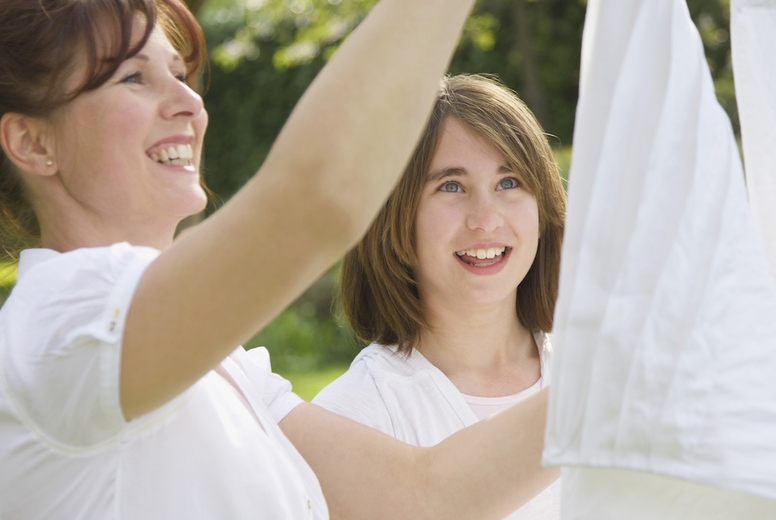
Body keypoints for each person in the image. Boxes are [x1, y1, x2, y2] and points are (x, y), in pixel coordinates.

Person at [0, 0, 558, 518]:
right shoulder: (62, 325)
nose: (188, 103)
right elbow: (314, 202)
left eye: (177, 73)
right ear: (32, 142)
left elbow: (424, 494)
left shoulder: (230, 368)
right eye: (132, 78)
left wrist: (624, 368)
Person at [313, 74, 566, 519]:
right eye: (451, 186)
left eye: (509, 182)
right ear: (397, 219)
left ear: (542, 210)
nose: (486, 220)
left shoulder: (591, 369)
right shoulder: (354, 415)